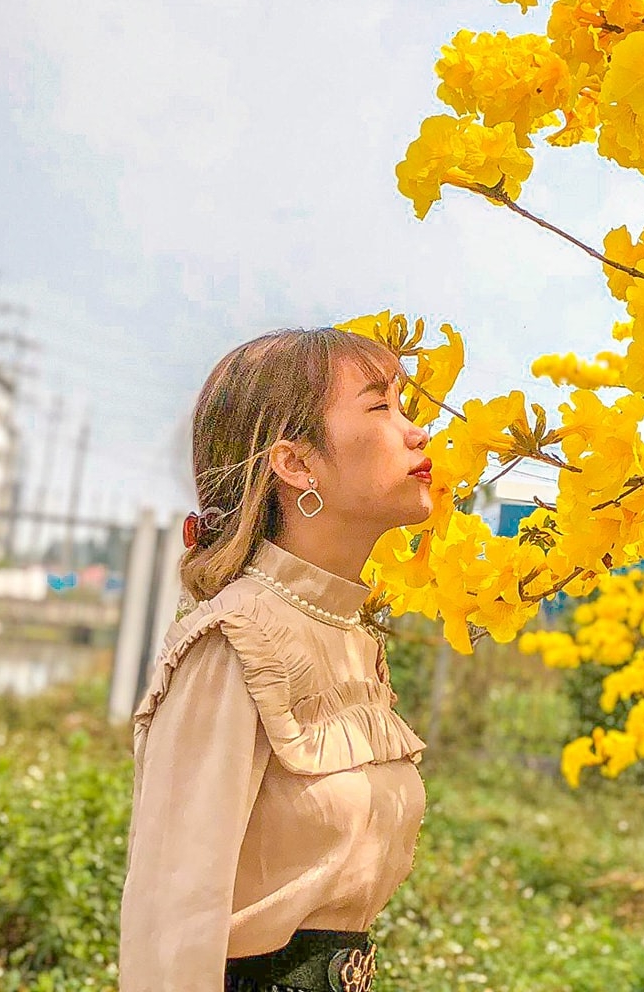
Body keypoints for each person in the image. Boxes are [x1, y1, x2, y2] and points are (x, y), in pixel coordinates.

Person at [119, 326, 434, 992]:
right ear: (295, 463)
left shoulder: (349, 637)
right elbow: (171, 923)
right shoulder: (235, 642)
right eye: (381, 406)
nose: (417, 432)